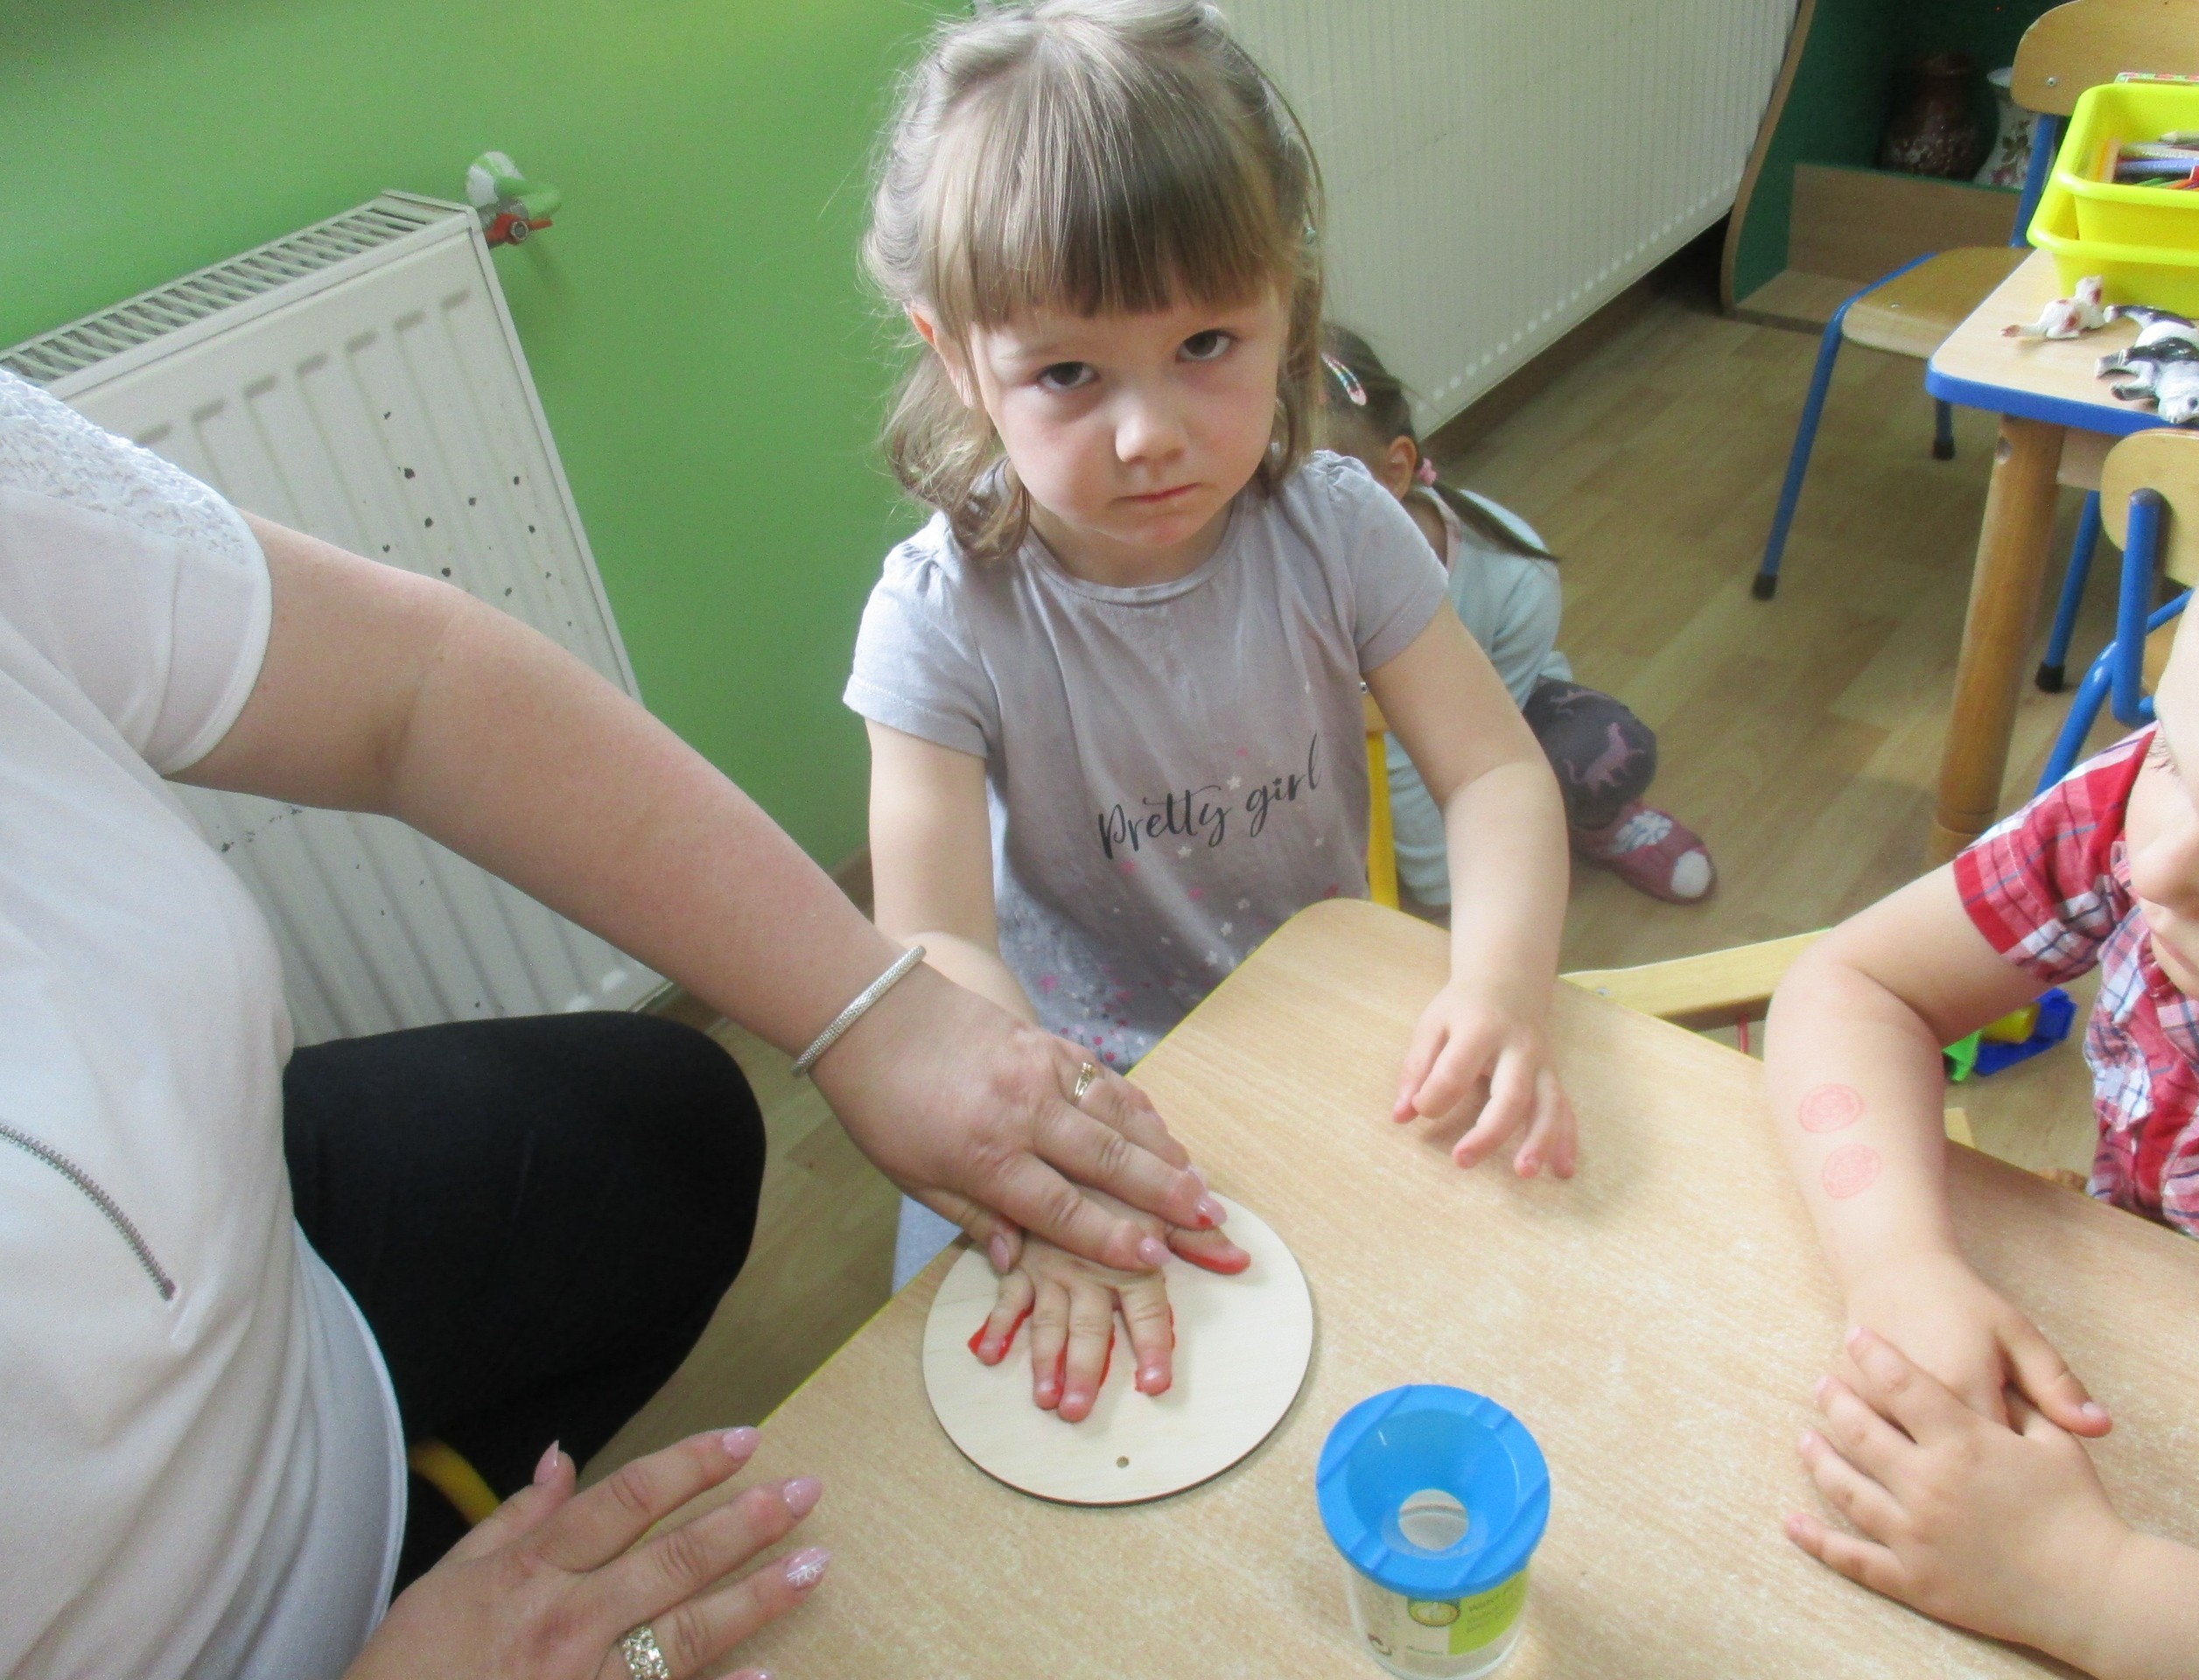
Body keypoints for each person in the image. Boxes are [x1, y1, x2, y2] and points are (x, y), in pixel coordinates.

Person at [0, 359, 1230, 1680]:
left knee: (670, 1121)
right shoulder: (937, 616)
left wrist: (876, 1016)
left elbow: (410, 681)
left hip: (260, 1250)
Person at [847, 0, 1579, 1428]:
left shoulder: (1343, 528)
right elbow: (934, 950)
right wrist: (1046, 1144)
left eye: (1206, 343)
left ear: (1286, 309)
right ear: (957, 357)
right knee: (1010, 1410)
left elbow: (1497, 776)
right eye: (1068, 373)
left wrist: (1499, 986)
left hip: (1323, 1046)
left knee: (1423, 1351)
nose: (1151, 434)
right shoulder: (938, 616)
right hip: (1056, 1083)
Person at [1761, 535, 2199, 1676]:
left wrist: (2094, 1587)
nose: (2159, 870)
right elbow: (1853, 987)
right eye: (2174, 751)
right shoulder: (2145, 812)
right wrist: (1899, 1263)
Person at [1318, 324, 1715, 906]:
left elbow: (1476, 748)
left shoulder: (1513, 578)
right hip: (1319, 750)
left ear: (1394, 471)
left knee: (1600, 748)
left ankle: (1594, 823)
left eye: (1306, 494)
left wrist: (1448, 888)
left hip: (1462, 725)